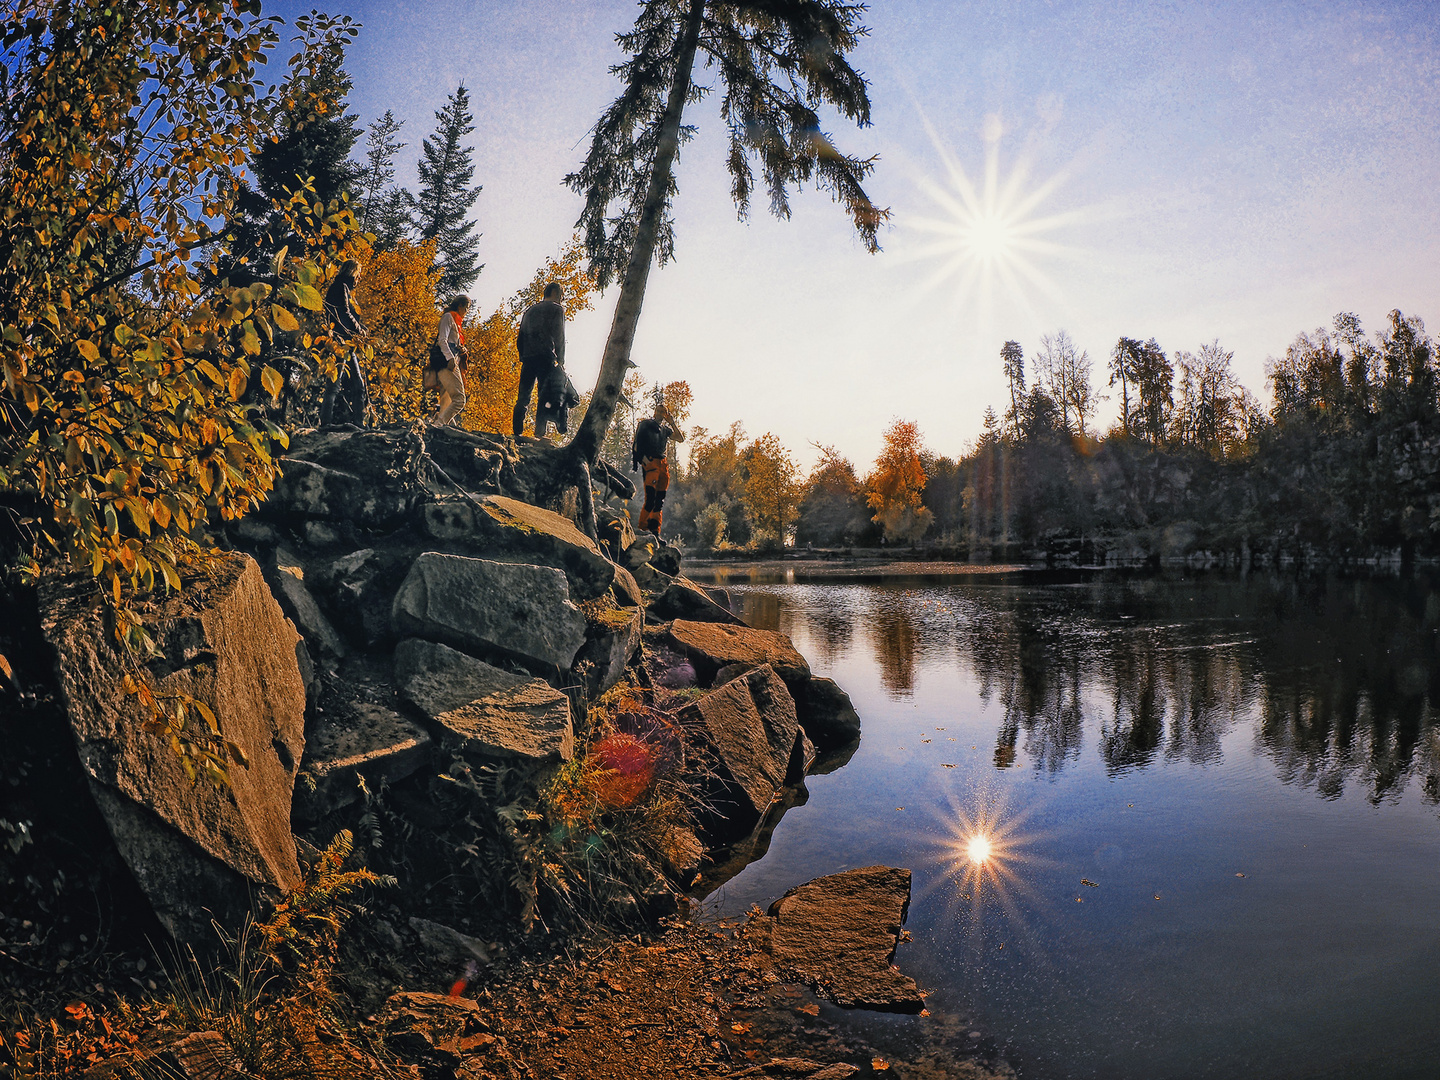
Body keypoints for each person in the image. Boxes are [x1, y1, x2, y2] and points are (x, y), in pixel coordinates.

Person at [512, 282, 566, 437]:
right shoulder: (557, 309)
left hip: (528, 357)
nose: (561, 298)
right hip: (545, 356)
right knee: (543, 394)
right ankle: (539, 432)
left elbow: (520, 336)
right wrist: (561, 360)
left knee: (523, 395)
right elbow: (559, 336)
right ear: (555, 293)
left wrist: (523, 354)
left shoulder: (530, 310)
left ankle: (517, 432)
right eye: (561, 294)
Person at [320, 259, 369, 425]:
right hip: (341, 343)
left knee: (358, 385)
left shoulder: (341, 288)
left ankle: (359, 424)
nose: (359, 278)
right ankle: (326, 424)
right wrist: (360, 330)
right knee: (335, 385)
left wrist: (359, 327)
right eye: (358, 274)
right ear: (353, 272)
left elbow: (345, 315)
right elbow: (344, 314)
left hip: (345, 342)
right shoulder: (341, 287)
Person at [631, 401, 685, 535]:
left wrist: (672, 422)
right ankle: (642, 529)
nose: (660, 414)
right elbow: (636, 444)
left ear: (666, 414)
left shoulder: (666, 430)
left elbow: (680, 439)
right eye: (659, 411)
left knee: (659, 500)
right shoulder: (646, 424)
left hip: (663, 464)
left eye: (663, 412)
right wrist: (642, 459)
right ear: (654, 412)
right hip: (651, 463)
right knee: (650, 498)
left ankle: (655, 532)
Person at [429, 295, 470, 427]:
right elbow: (442, 340)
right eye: (466, 307)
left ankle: (447, 427)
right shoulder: (448, 317)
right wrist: (450, 358)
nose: (467, 311)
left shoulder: (456, 322)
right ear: (460, 306)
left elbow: (451, 341)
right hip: (447, 362)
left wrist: (461, 349)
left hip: (451, 361)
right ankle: (438, 425)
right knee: (459, 400)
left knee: (447, 401)